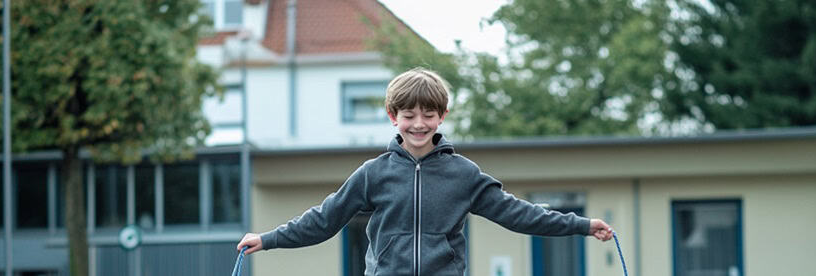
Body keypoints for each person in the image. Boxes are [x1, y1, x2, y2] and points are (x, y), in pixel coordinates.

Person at [237, 68, 613, 275]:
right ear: (393, 117)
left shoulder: (464, 175)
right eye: (409, 115)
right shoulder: (373, 174)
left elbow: (519, 214)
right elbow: (323, 220)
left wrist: (581, 225)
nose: (419, 124)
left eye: (429, 115)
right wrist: (268, 239)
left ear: (442, 116)